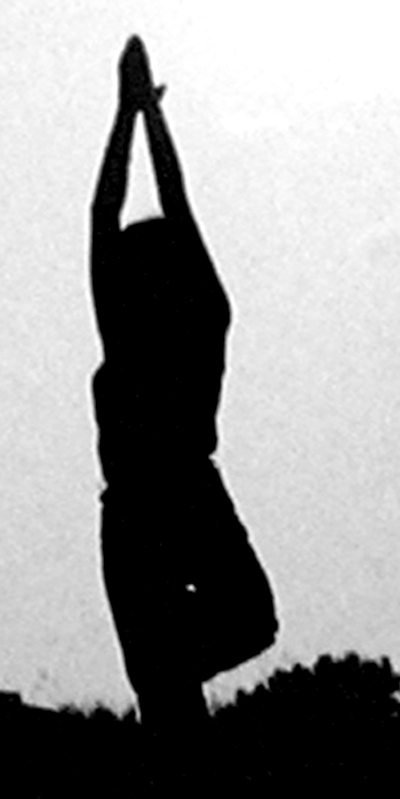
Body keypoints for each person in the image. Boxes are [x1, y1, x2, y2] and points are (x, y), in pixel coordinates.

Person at [89, 38, 278, 727]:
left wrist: (136, 117)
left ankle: (164, 674)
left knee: (244, 624)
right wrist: (133, 115)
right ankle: (166, 693)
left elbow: (150, 210)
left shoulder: (198, 328)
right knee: (173, 708)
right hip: (144, 507)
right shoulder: (137, 333)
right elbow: (111, 219)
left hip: (183, 496)